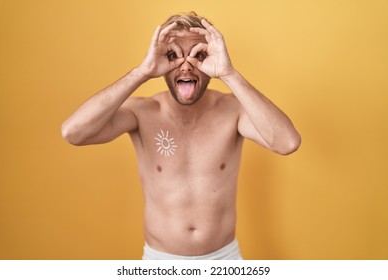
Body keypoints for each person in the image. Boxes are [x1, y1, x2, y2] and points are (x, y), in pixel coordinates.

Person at [61, 12, 301, 260]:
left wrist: (229, 74)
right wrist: (142, 72)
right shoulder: (142, 113)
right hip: (160, 263)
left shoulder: (234, 111)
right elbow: (73, 132)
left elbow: (287, 142)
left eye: (199, 55)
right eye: (173, 55)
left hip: (224, 261)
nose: (186, 65)